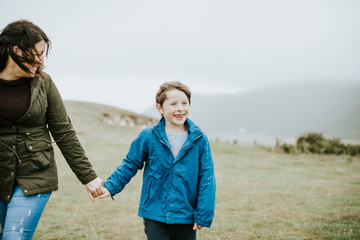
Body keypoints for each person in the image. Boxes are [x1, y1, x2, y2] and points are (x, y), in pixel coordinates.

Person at [0, 20, 103, 239]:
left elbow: (64, 132)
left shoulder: (43, 83)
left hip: (35, 175)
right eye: (35, 54)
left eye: (43, 54)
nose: (40, 61)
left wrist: (88, 177)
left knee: (14, 236)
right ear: (15, 50)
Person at [99, 81, 216, 240]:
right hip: (155, 212)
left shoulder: (200, 140)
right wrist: (111, 186)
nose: (180, 108)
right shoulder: (148, 136)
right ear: (159, 108)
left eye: (184, 103)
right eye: (173, 104)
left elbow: (207, 177)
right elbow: (130, 164)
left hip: (186, 214)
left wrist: (203, 213)